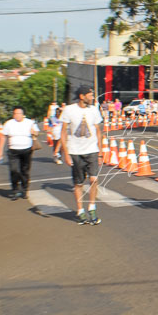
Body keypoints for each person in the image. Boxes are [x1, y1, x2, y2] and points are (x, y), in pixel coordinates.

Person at [60, 85, 105, 225]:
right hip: (75, 151)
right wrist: (66, 153)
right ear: (82, 96)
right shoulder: (69, 110)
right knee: (79, 183)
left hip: (92, 150)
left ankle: (92, 207)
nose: (92, 97)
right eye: (90, 95)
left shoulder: (94, 110)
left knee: (94, 180)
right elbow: (63, 132)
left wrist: (100, 150)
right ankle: (80, 211)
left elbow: (98, 130)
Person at [0, 106, 41, 200]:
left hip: (26, 150)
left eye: (19, 113)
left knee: (25, 171)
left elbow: (36, 132)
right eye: (15, 113)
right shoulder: (9, 123)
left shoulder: (29, 122)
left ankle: (24, 189)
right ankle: (15, 190)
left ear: (23, 115)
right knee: (14, 170)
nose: (17, 115)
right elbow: (3, 137)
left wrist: (34, 132)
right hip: (13, 151)